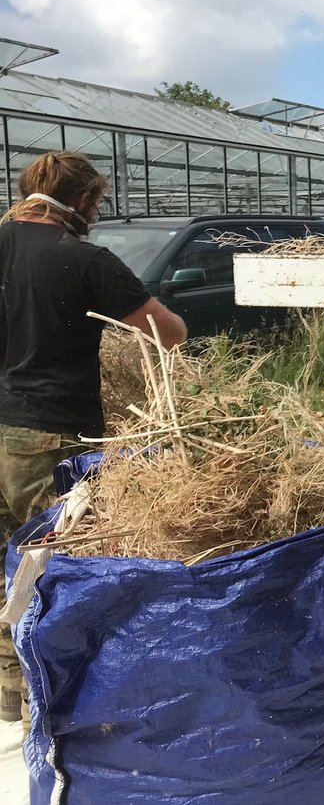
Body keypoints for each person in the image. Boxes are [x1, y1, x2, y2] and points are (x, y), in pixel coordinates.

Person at [0, 151, 187, 722]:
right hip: (46, 433)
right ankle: (53, 701)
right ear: (82, 201)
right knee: (55, 563)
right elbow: (170, 332)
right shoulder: (84, 258)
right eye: (98, 203)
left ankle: (11, 682)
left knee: (3, 560)